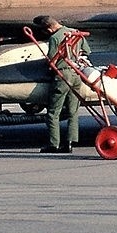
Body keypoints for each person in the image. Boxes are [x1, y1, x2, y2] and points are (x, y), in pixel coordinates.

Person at [35, 15, 90, 154]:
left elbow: (52, 60)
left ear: (49, 28)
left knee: (53, 113)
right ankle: (70, 143)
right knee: (73, 111)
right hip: (76, 74)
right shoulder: (75, 32)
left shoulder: (54, 38)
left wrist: (47, 63)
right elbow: (87, 52)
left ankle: (54, 144)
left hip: (62, 75)